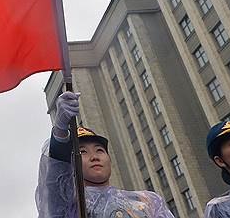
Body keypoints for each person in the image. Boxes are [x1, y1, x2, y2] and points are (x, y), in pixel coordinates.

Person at [37, 91, 176, 217]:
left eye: (99, 150)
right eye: (82, 152)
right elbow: (55, 184)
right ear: (70, 165)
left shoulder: (148, 202)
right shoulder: (70, 206)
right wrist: (60, 131)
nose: (94, 157)